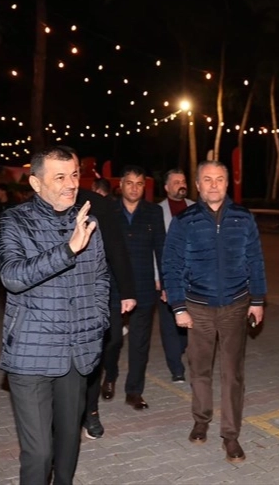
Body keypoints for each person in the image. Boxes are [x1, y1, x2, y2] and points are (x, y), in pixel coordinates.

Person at [0, 146, 108, 485]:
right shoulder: (13, 221)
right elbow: (12, 276)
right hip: (31, 354)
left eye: (74, 175)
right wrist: (69, 249)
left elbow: (101, 277)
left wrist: (98, 322)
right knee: (40, 452)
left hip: (77, 353)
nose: (70, 184)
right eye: (59, 177)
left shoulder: (88, 222)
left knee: (68, 445)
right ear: (36, 183)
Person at [163, 160, 267, 463]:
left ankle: (231, 435)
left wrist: (258, 301)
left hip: (235, 305)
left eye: (219, 179)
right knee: (200, 369)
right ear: (197, 185)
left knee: (233, 373)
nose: (213, 185)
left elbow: (256, 260)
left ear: (227, 183)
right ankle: (201, 418)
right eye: (207, 179)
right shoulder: (184, 221)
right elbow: (171, 264)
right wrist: (178, 307)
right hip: (197, 308)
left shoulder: (243, 218)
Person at [72, 154, 136, 441]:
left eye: (73, 173)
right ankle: (65, 413)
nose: (68, 180)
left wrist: (127, 291)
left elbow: (116, 248)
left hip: (97, 291)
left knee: (95, 352)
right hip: (57, 298)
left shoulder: (98, 204)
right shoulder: (37, 208)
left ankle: (91, 412)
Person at [97, 166, 165, 412]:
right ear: (121, 185)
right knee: (112, 339)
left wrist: (166, 283)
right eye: (129, 183)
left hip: (144, 287)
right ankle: (110, 375)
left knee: (139, 343)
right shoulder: (108, 210)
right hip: (113, 286)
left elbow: (161, 248)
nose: (134, 188)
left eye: (139, 183)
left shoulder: (153, 212)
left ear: (144, 187)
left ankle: (134, 391)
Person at [157, 168, 194, 382]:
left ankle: (180, 349)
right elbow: (155, 248)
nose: (181, 185)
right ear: (166, 187)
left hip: (193, 278)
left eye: (183, 181)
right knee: (169, 324)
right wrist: (158, 278)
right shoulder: (157, 211)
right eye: (176, 182)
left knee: (190, 322)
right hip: (167, 275)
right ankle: (176, 368)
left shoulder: (196, 208)